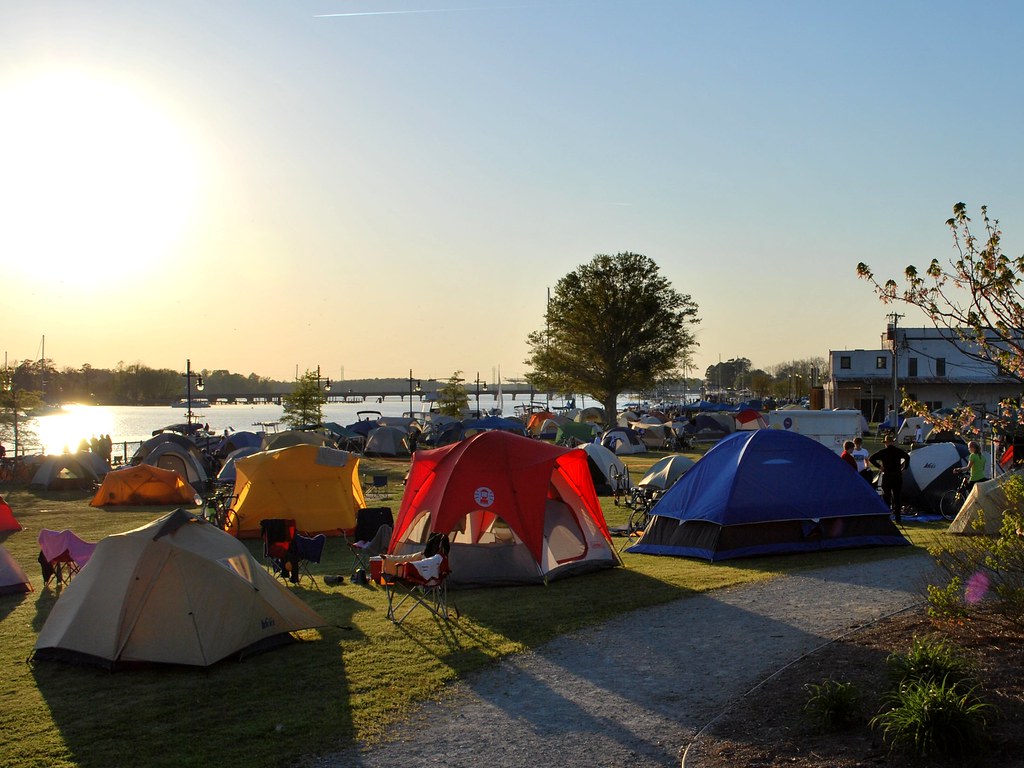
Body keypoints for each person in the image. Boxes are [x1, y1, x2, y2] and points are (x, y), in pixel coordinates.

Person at [870, 434, 911, 522]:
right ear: (893, 442)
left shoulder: (883, 452)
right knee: (897, 497)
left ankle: (887, 517)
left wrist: (880, 467)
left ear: (886, 443)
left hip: (887, 475)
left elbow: (871, 458)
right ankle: (898, 518)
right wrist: (904, 468)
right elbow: (907, 457)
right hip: (897, 476)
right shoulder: (898, 451)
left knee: (886, 497)